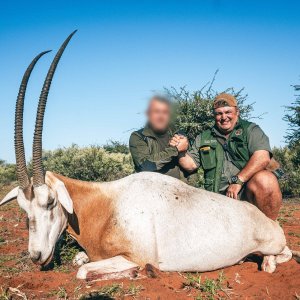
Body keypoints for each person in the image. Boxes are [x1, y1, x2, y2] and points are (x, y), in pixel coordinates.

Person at [171, 93, 282, 220]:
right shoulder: (204, 137)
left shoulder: (251, 130)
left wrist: (238, 181)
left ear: (237, 112)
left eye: (228, 112)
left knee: (266, 180)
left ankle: (269, 230)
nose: (224, 117)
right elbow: (190, 165)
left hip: (246, 197)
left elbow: (262, 157)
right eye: (219, 113)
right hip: (216, 200)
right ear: (214, 115)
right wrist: (181, 151)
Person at [129, 95, 187, 179]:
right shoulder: (138, 136)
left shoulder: (178, 134)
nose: (161, 116)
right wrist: (175, 150)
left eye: (165, 112)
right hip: (151, 188)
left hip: (178, 189)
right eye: (156, 111)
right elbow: (146, 166)